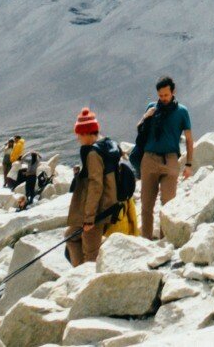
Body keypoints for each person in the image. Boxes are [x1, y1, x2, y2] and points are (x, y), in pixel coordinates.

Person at [64, 109, 129, 265]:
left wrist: (89, 218)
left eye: (79, 134)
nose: (78, 138)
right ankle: (78, 273)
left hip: (98, 211)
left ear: (86, 133)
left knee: (91, 254)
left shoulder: (94, 154)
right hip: (108, 204)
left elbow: (96, 186)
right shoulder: (108, 144)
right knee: (71, 237)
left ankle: (87, 280)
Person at [134, 76, 195, 240]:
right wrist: (146, 116)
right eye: (160, 96)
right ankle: (145, 240)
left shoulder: (182, 111)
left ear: (173, 92)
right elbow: (139, 128)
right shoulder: (152, 108)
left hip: (170, 160)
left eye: (166, 95)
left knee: (168, 204)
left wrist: (189, 164)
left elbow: (189, 139)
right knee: (146, 205)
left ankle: (164, 240)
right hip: (149, 159)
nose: (163, 99)